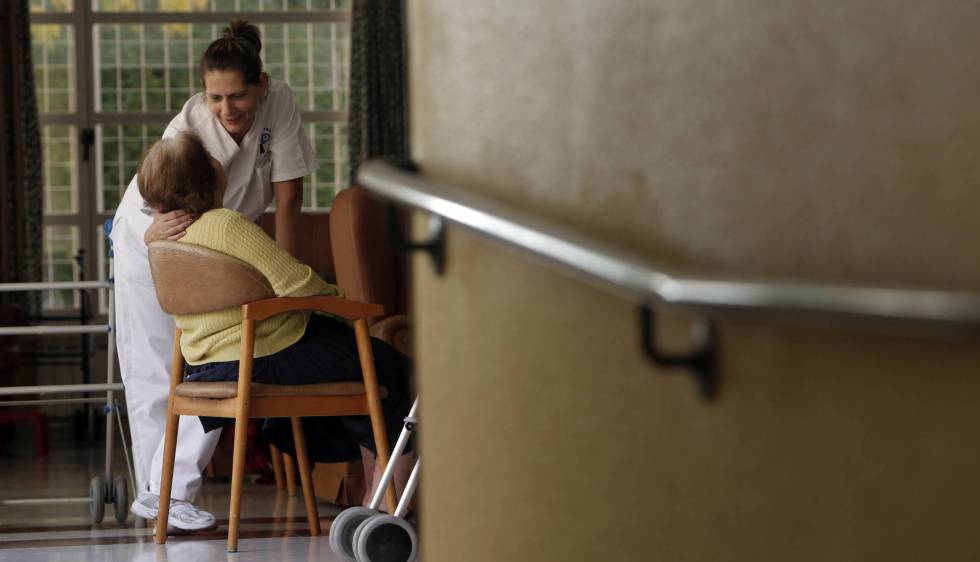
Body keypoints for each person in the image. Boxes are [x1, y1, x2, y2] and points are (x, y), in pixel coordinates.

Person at [110, 20, 317, 530]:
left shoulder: (280, 104)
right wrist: (155, 233)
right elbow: (158, 201)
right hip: (157, 236)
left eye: (238, 96)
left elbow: (288, 199)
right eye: (215, 97)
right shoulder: (188, 128)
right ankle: (162, 494)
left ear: (260, 85)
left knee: (217, 357)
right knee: (159, 369)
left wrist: (283, 285)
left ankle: (163, 494)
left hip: (222, 237)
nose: (227, 109)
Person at [136, 132, 413, 502]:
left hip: (207, 363)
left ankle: (376, 497)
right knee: (388, 367)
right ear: (205, 178)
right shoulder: (225, 224)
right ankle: (389, 505)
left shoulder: (161, 240)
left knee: (359, 362)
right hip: (261, 354)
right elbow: (295, 282)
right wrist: (340, 301)